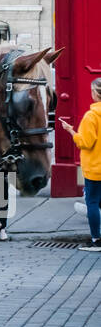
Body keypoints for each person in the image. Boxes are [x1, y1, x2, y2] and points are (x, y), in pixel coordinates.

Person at [61, 77, 101, 251]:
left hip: (94, 169)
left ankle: (96, 240)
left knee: (92, 203)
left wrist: (71, 131)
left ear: (95, 93)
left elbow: (85, 142)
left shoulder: (91, 116)